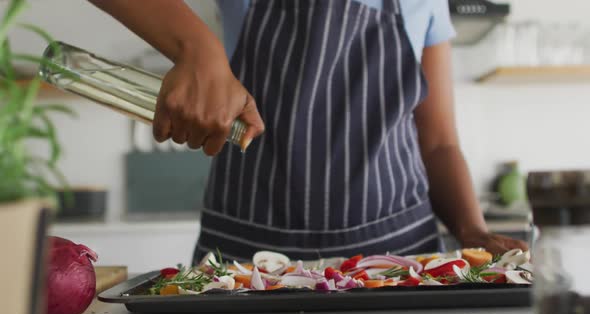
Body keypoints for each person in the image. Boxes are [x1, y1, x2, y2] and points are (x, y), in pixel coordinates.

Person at [90, 0, 528, 262]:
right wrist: (196, 47)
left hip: (397, 259)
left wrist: (471, 229)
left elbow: (439, 142)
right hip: (245, 263)